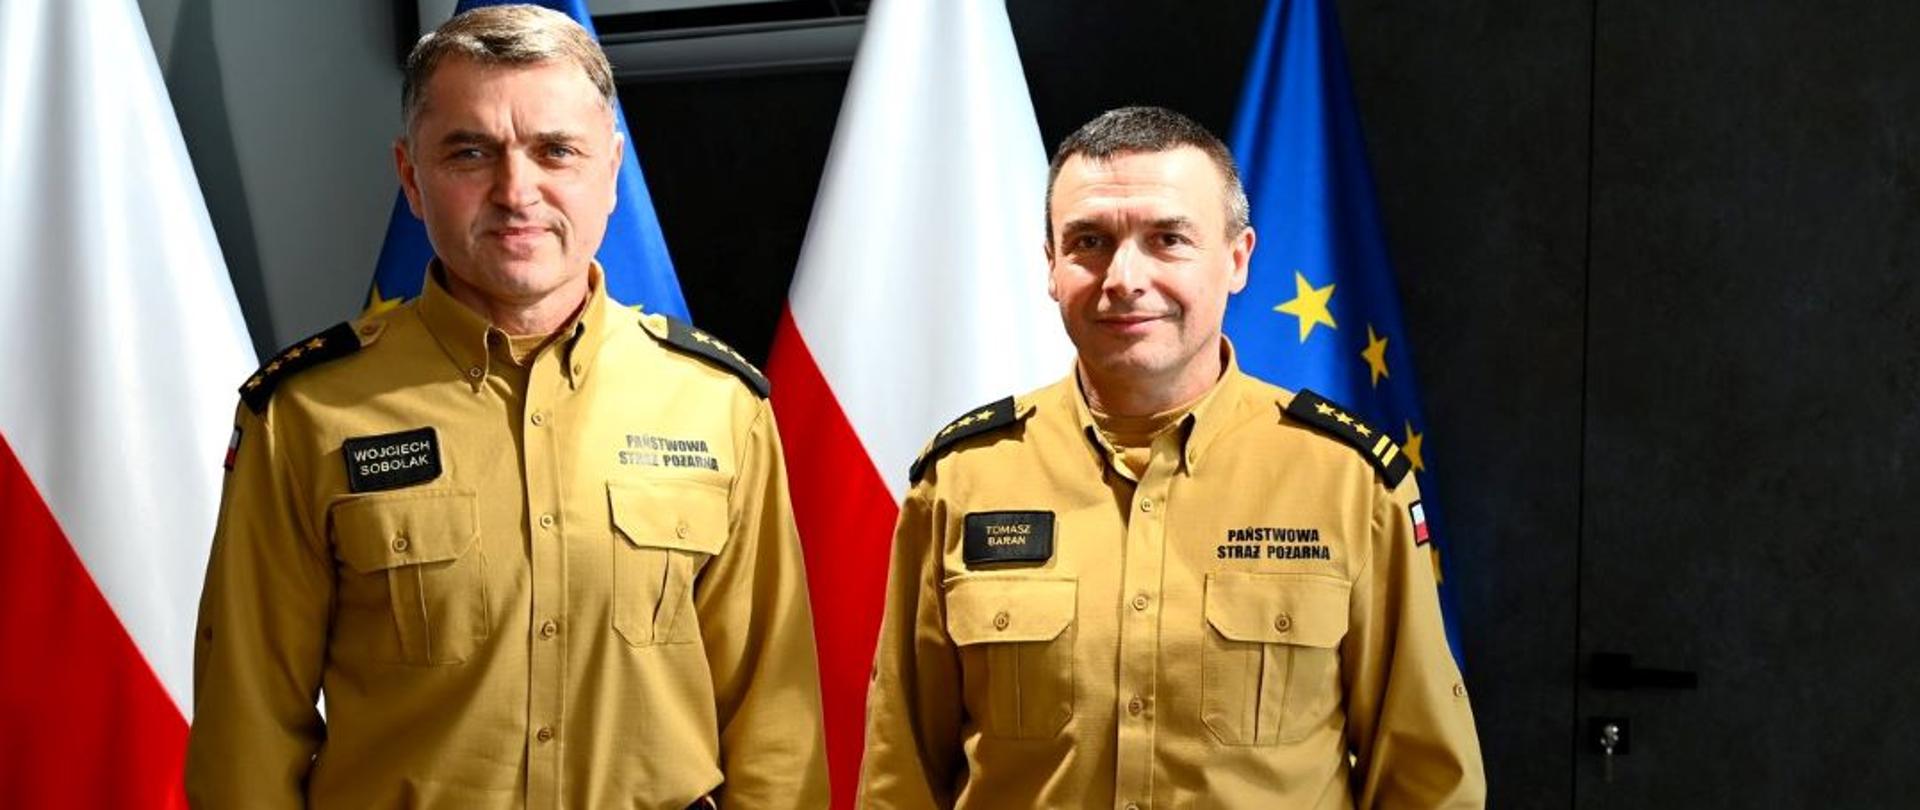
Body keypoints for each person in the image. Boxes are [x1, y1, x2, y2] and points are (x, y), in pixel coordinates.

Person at [183, 6, 827, 808]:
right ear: (411, 178)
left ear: (612, 170)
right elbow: (247, 737)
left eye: (556, 151)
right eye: (470, 152)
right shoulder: (307, 416)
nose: (516, 192)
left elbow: (775, 730)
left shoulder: (717, 406)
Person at [856, 106, 1484, 808]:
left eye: (1168, 239)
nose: (1124, 277)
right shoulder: (962, 479)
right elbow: (901, 772)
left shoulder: (1349, 483)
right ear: (1052, 266)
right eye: (1089, 242)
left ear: (1238, 259)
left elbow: (1428, 782)